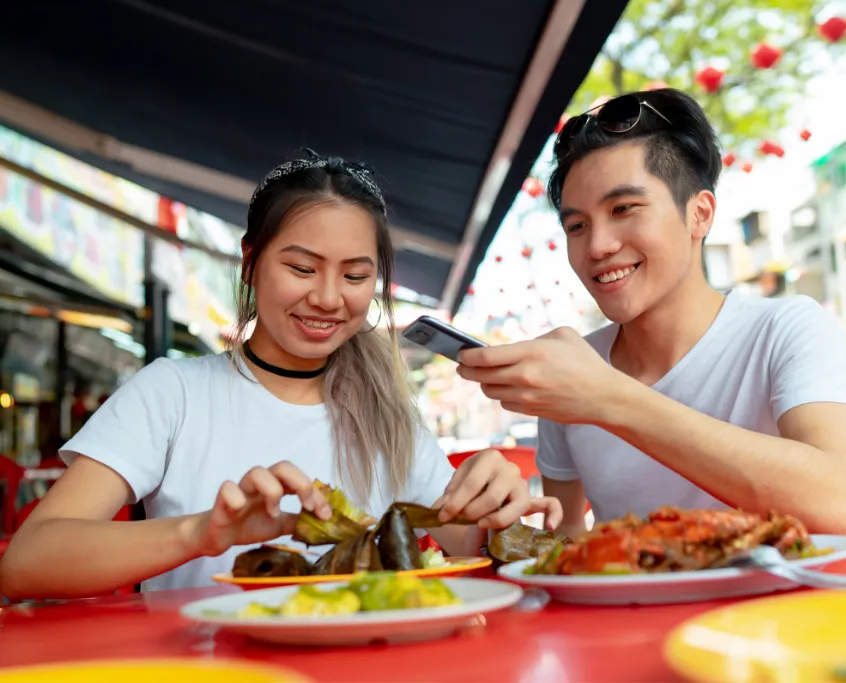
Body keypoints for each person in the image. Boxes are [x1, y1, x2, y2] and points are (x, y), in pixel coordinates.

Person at [0, 150, 559, 599]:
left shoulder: (387, 411)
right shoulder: (172, 392)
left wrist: (496, 503)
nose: (327, 298)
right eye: (300, 267)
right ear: (250, 261)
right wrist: (204, 533)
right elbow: (26, 564)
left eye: (355, 275)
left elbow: (466, 538)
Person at [456, 89, 846, 539]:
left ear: (699, 214)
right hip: (630, 607)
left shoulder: (784, 328)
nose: (597, 246)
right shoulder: (571, 365)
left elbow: (845, 505)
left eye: (624, 209)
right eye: (577, 226)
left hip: (777, 610)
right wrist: (494, 519)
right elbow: (566, 539)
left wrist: (607, 398)